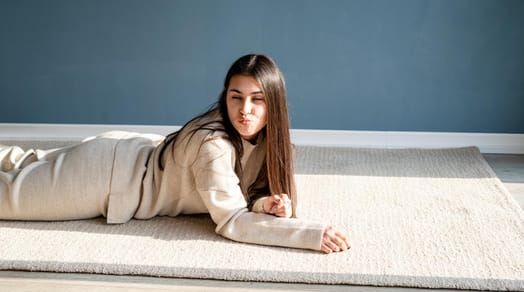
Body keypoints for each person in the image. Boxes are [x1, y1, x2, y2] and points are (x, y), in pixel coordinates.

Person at [0, 54, 349, 254]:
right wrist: (309, 234)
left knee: (22, 162)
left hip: (127, 154)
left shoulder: (273, 144)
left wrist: (265, 204)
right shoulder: (213, 144)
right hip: (105, 178)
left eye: (257, 99)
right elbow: (231, 221)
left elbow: (242, 192)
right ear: (224, 96)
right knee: (9, 199)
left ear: (274, 102)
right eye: (235, 96)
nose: (245, 109)